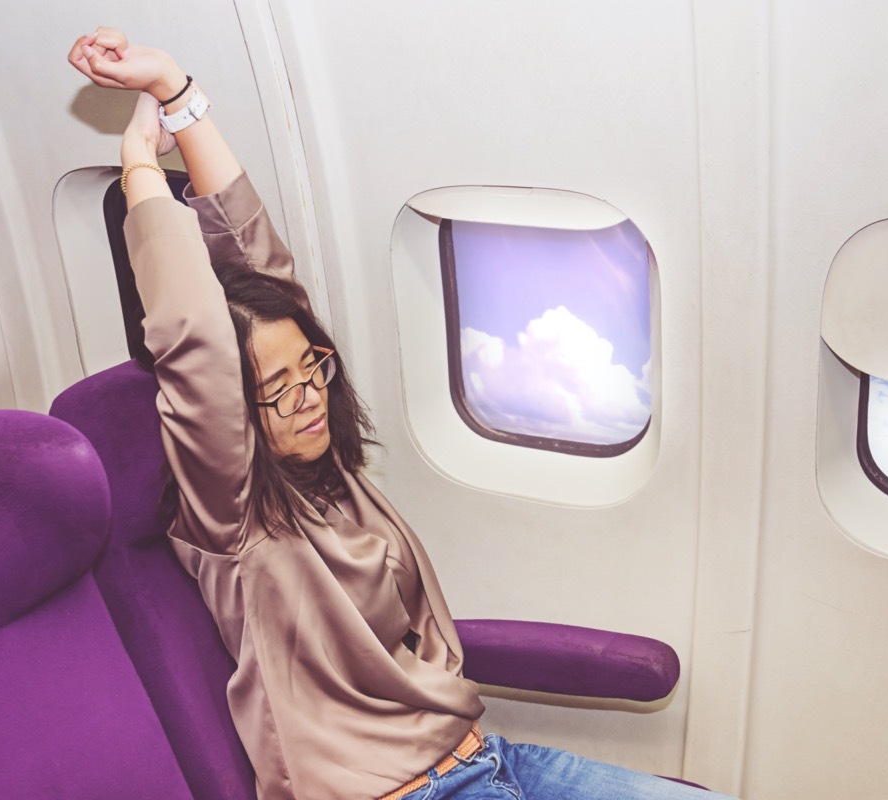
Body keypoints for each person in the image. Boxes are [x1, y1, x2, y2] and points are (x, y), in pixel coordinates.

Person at [68, 28, 734, 800]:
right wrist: (141, 167)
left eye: (311, 367)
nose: (308, 393)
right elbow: (197, 338)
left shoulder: (328, 471)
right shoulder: (234, 520)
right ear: (229, 417)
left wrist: (177, 93)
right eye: (276, 389)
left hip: (487, 757)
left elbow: (263, 271)